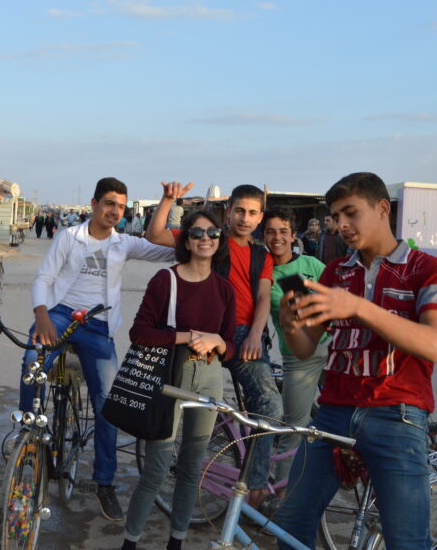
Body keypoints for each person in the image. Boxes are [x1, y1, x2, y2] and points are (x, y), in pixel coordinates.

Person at [275, 172, 437, 550]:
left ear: (382, 209)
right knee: (289, 524)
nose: (341, 224)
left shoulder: (428, 270)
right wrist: (290, 325)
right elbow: (307, 347)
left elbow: (435, 344)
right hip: (332, 413)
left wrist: (358, 307)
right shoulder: (334, 272)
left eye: (350, 213)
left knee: (406, 540)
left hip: (398, 414)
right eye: (336, 215)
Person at [25, 177, 175, 522]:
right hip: (61, 313)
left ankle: (104, 482)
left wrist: (176, 214)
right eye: (109, 204)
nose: (115, 211)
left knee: (109, 402)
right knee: (32, 361)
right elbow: (43, 278)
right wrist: (42, 315)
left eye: (121, 207)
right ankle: (27, 439)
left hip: (98, 325)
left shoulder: (124, 243)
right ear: (93, 204)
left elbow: (167, 249)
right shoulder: (68, 237)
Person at [147, 182, 282, 511]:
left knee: (267, 406)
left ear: (259, 216)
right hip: (206, 331)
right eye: (239, 211)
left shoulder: (261, 255)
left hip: (244, 334)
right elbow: (155, 235)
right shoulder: (207, 238)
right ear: (228, 212)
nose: (244, 218)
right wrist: (168, 199)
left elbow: (263, 296)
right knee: (267, 404)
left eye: (252, 213)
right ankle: (255, 487)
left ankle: (250, 477)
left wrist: (255, 333)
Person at [122, 210, 238, 550]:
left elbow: (230, 345)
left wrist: (218, 342)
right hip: (170, 375)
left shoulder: (224, 289)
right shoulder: (165, 280)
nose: (206, 239)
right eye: (197, 233)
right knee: (157, 468)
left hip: (209, 377)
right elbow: (139, 333)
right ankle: (130, 541)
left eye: (212, 232)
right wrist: (189, 335)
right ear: (185, 240)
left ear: (220, 239)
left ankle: (177, 541)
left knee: (192, 468)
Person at [260, 207, 327, 486]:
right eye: (270, 232)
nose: (277, 238)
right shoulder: (265, 275)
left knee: (348, 419)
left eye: (283, 231)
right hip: (300, 358)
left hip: (335, 348)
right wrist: (316, 297)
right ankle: (281, 494)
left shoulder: (312, 264)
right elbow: (292, 309)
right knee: (293, 428)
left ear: (293, 235)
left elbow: (338, 295)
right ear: (263, 235)